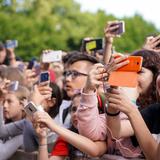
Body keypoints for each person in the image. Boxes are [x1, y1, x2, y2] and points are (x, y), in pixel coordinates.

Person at [77, 49, 160, 158]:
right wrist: (89, 89)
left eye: (139, 71)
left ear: (155, 75)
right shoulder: (148, 110)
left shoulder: (153, 109)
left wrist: (130, 104)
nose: (132, 76)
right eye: (128, 71)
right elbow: (93, 132)